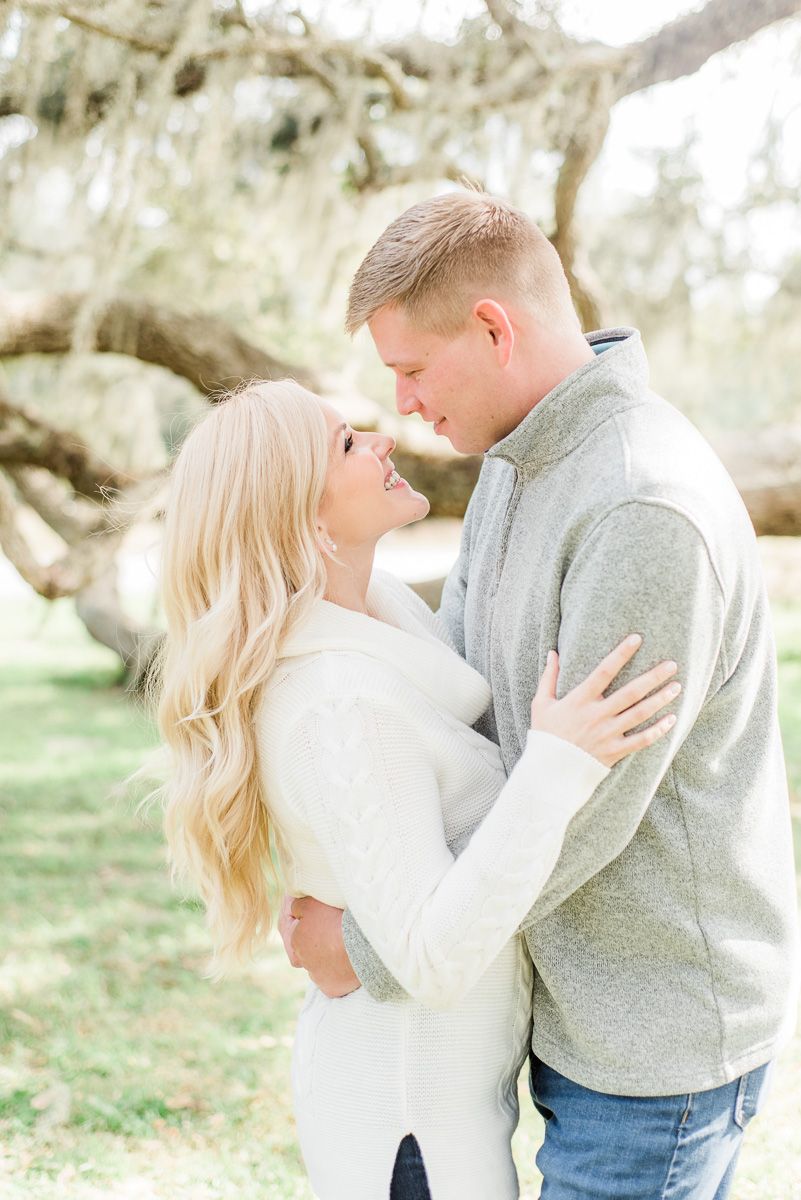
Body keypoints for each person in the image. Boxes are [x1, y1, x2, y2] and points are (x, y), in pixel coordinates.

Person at [283, 192, 800, 1200]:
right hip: (563, 1001)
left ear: (492, 328)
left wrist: (365, 948)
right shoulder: (517, 464)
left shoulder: (641, 505)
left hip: (655, 1040)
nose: (405, 406)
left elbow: (587, 812)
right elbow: (470, 697)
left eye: (413, 370)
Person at [155, 378, 681, 1200]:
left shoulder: (382, 618)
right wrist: (556, 765)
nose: (384, 441)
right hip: (406, 1128)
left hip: (444, 1103)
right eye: (346, 445)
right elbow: (430, 956)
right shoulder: (338, 705)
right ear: (302, 515)